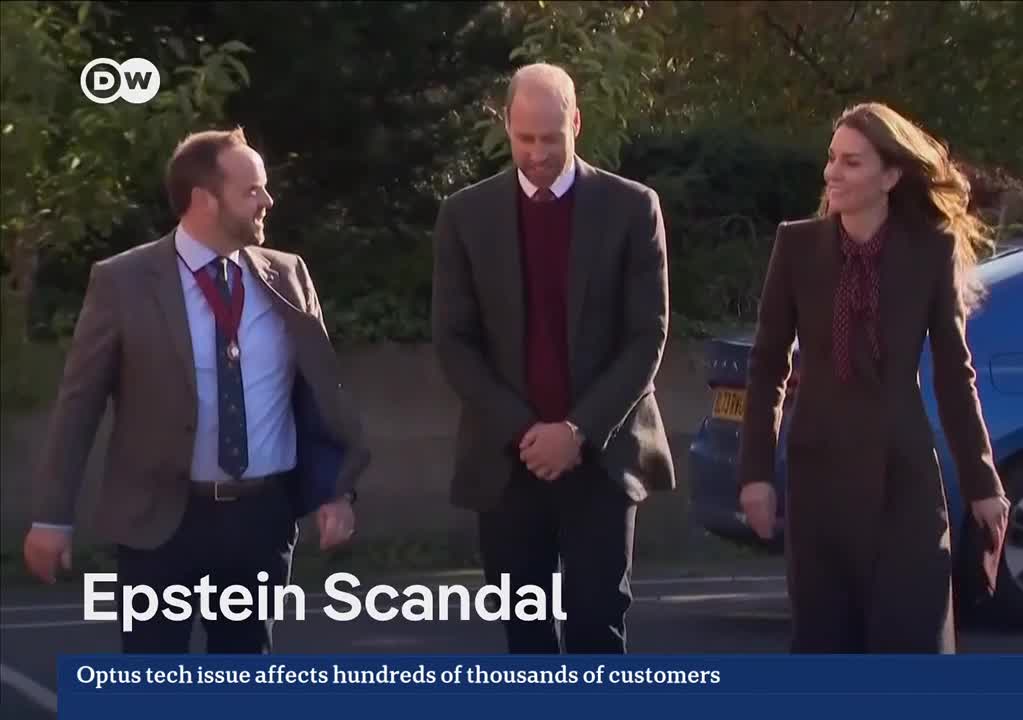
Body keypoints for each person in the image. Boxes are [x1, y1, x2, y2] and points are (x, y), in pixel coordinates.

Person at [23, 127, 371, 654]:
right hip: (161, 521)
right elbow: (79, 404)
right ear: (204, 200)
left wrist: (336, 489)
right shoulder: (123, 281)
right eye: (252, 190)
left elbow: (319, 394)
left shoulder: (289, 275)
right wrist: (52, 516)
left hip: (261, 520)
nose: (267, 201)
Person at [737, 102, 1011, 654]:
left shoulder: (929, 254)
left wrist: (983, 483)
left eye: (852, 162)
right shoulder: (797, 246)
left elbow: (955, 377)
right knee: (825, 651)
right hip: (819, 478)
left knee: (911, 644)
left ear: (890, 176)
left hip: (903, 480)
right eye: (832, 159)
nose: (833, 172)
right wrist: (756, 474)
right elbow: (767, 366)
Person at [431, 63, 674, 654]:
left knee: (598, 627)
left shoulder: (631, 207)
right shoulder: (466, 215)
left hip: (602, 459)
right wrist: (524, 431)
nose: (537, 154)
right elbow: (454, 339)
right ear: (507, 127)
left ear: (577, 124)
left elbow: (648, 334)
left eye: (551, 138)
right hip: (507, 464)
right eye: (524, 138)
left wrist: (577, 431)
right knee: (525, 634)